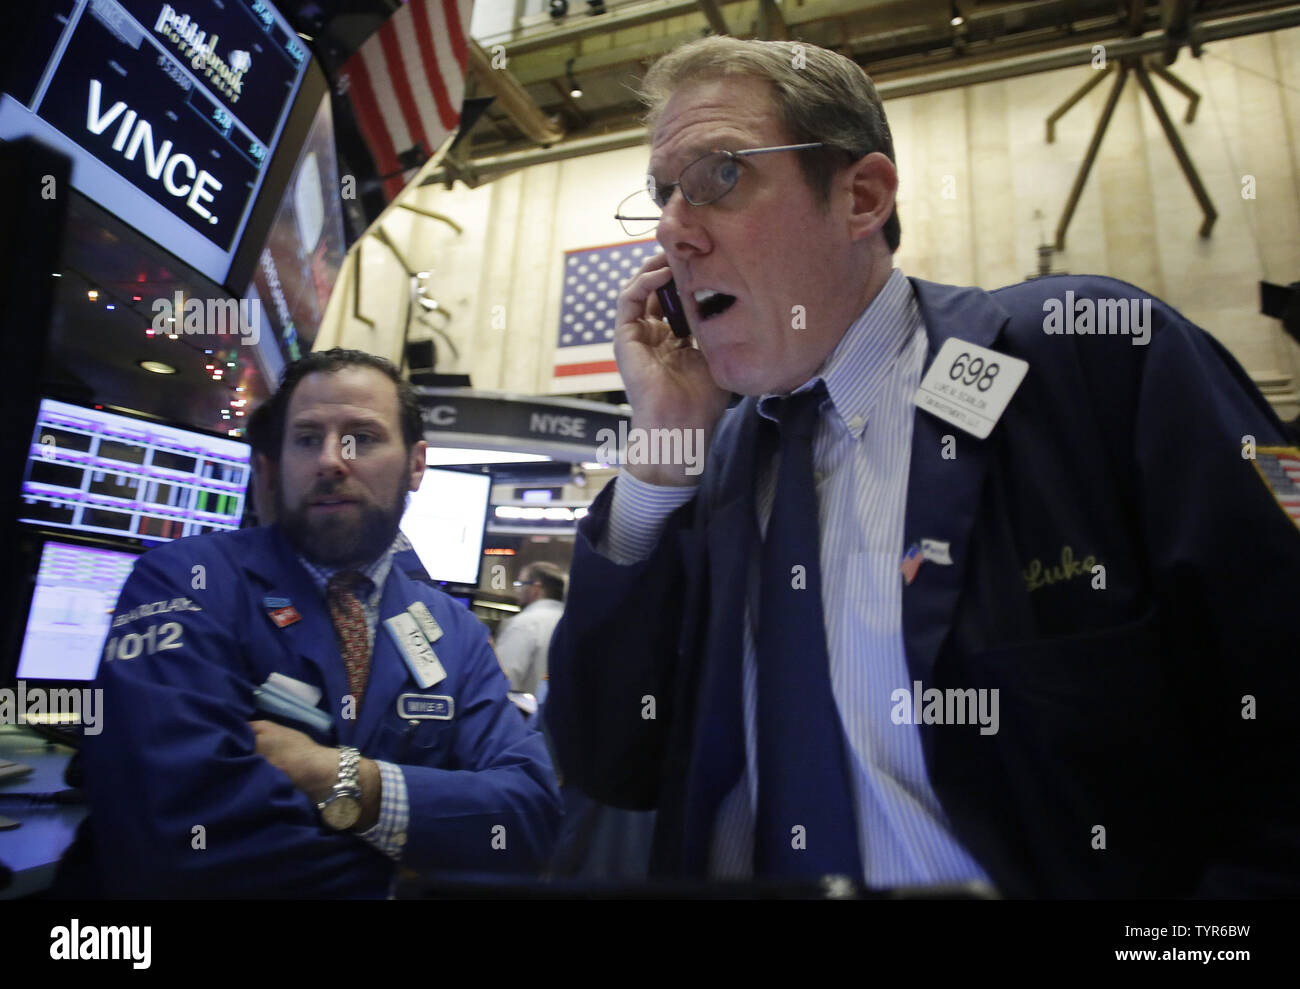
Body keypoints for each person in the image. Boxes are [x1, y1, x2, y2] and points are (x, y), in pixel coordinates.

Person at [546, 36, 1300, 897]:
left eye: (719, 176)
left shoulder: (1095, 359)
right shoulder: (704, 464)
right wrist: (659, 456)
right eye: (661, 194)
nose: (673, 231)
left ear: (861, 196)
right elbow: (611, 762)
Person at [64, 349, 562, 897]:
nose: (331, 460)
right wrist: (408, 874)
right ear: (277, 461)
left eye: (362, 438)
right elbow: (175, 834)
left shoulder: (455, 635)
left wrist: (344, 779)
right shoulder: (185, 580)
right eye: (306, 439)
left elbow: (527, 818)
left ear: (416, 464)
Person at [495, 562, 566, 695]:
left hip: (522, 714)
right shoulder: (570, 623)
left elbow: (502, 682)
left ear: (535, 588)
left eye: (521, 584)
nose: (517, 590)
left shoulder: (524, 624)